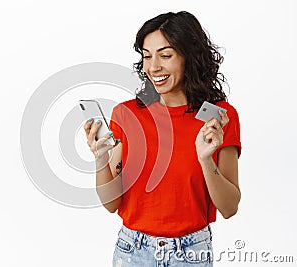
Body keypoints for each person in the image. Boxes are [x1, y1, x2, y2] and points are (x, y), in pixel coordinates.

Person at [83, 11, 241, 267]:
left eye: (165, 55)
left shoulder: (219, 118)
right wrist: (101, 160)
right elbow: (112, 204)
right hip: (133, 251)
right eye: (147, 56)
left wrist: (205, 158)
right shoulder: (126, 115)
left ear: (189, 57)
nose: (153, 67)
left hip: (192, 253)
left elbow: (229, 207)